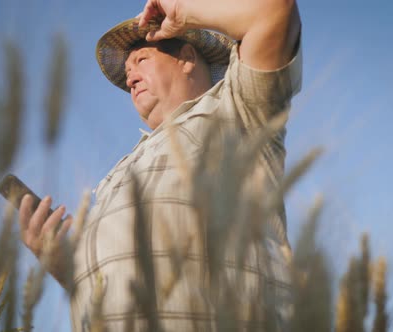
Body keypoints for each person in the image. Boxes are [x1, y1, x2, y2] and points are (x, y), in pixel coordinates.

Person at [19, 0, 302, 330]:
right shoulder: (118, 175)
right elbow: (113, 286)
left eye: (141, 60)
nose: (131, 79)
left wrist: (185, 13)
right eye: (127, 74)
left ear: (186, 59)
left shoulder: (237, 108)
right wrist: (64, 265)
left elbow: (275, 13)